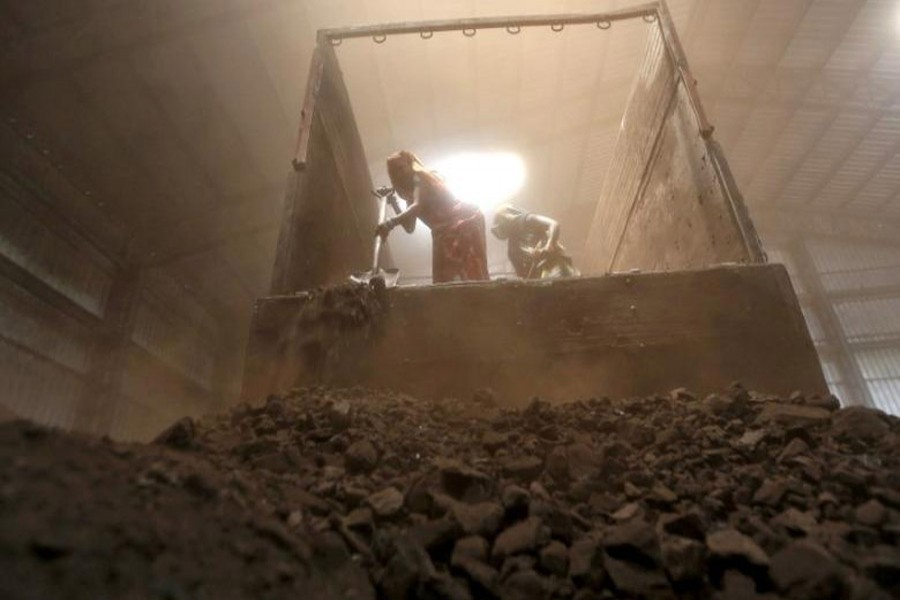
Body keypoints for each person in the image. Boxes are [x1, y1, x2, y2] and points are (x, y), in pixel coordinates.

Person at [376, 151, 489, 284]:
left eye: (401, 168)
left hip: (462, 220)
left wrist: (390, 224)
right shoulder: (410, 195)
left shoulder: (420, 177)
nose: (400, 174)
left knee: (467, 270)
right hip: (443, 231)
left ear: (410, 164)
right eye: (395, 172)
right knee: (446, 278)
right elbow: (409, 227)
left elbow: (417, 206)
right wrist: (393, 202)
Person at [491, 203, 580, 279]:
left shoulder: (526, 220)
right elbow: (523, 277)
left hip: (555, 267)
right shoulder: (512, 250)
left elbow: (553, 224)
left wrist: (549, 245)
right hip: (541, 278)